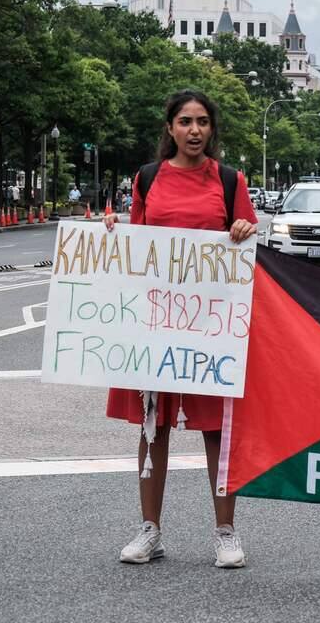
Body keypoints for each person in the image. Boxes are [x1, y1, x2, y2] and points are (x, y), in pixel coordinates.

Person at [103, 90, 257, 569]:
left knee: (217, 430)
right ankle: (150, 529)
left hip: (211, 324)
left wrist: (243, 231)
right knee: (154, 425)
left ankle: (226, 532)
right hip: (157, 318)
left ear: (213, 130)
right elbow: (133, 243)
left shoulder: (231, 181)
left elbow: (249, 240)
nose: (195, 130)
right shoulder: (147, 179)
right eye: (186, 121)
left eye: (203, 122)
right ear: (169, 128)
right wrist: (110, 232)